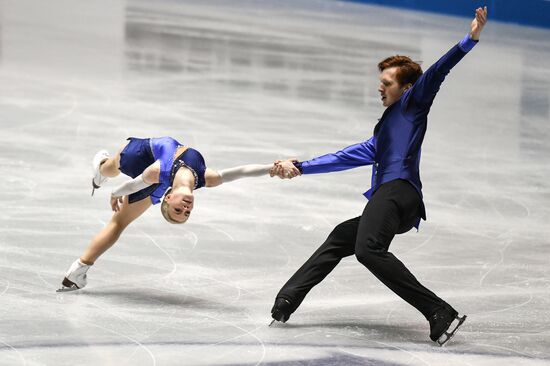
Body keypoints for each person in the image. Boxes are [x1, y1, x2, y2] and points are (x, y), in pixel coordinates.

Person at [269, 7, 488, 346]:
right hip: (393, 199)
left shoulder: (414, 105)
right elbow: (346, 156)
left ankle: (439, 311)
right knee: (344, 235)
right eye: (380, 82)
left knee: (368, 250)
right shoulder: (383, 131)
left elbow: (438, 72)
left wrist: (468, 40)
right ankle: (287, 300)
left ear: (407, 88)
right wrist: (302, 167)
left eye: (387, 83)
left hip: (398, 192)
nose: (380, 88)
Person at [58, 136, 275, 292]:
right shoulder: (206, 179)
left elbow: (134, 184)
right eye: (186, 212)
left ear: (168, 198)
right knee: (115, 178)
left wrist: (115, 192)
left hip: (143, 157)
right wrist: (271, 168)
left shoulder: (157, 172)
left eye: (178, 210)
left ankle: (77, 270)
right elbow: (241, 172)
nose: (186, 207)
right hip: (155, 174)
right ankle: (101, 172)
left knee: (118, 204)